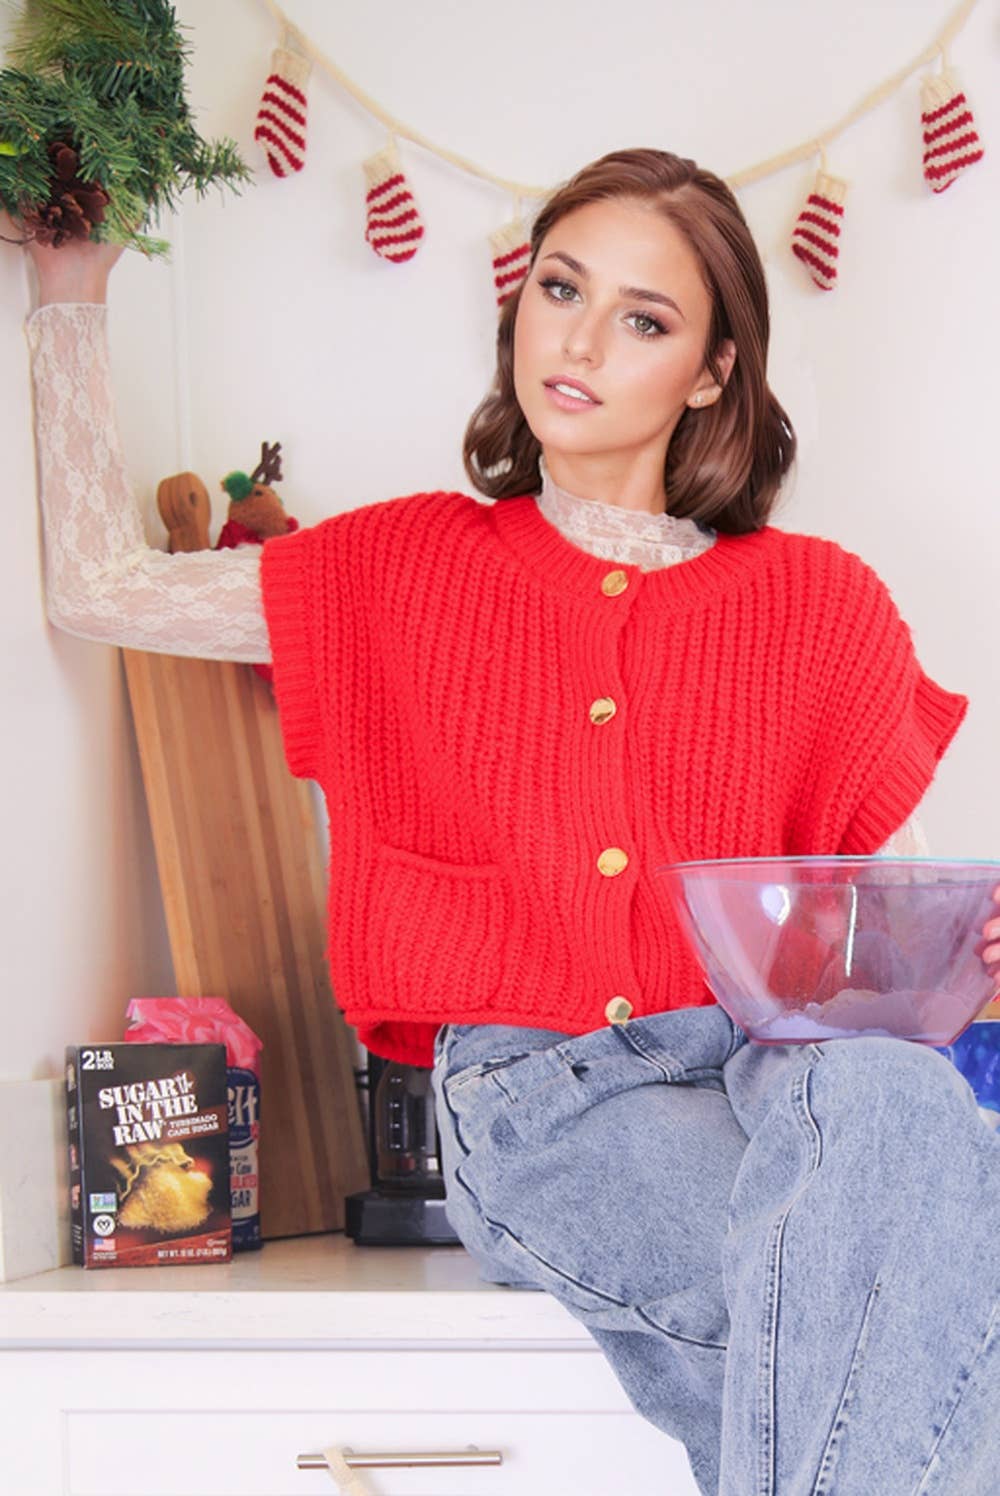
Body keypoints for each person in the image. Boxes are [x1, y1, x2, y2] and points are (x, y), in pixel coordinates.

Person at [12, 148, 1000, 1494]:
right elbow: (95, 586)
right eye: (560, 289)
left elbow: (872, 940)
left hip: (778, 1071)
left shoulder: (822, 604)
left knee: (901, 1113)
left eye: (643, 320)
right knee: (917, 1294)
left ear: (712, 372)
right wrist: (69, 295)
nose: (579, 342)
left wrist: (959, 961)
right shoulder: (397, 568)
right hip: (549, 1102)